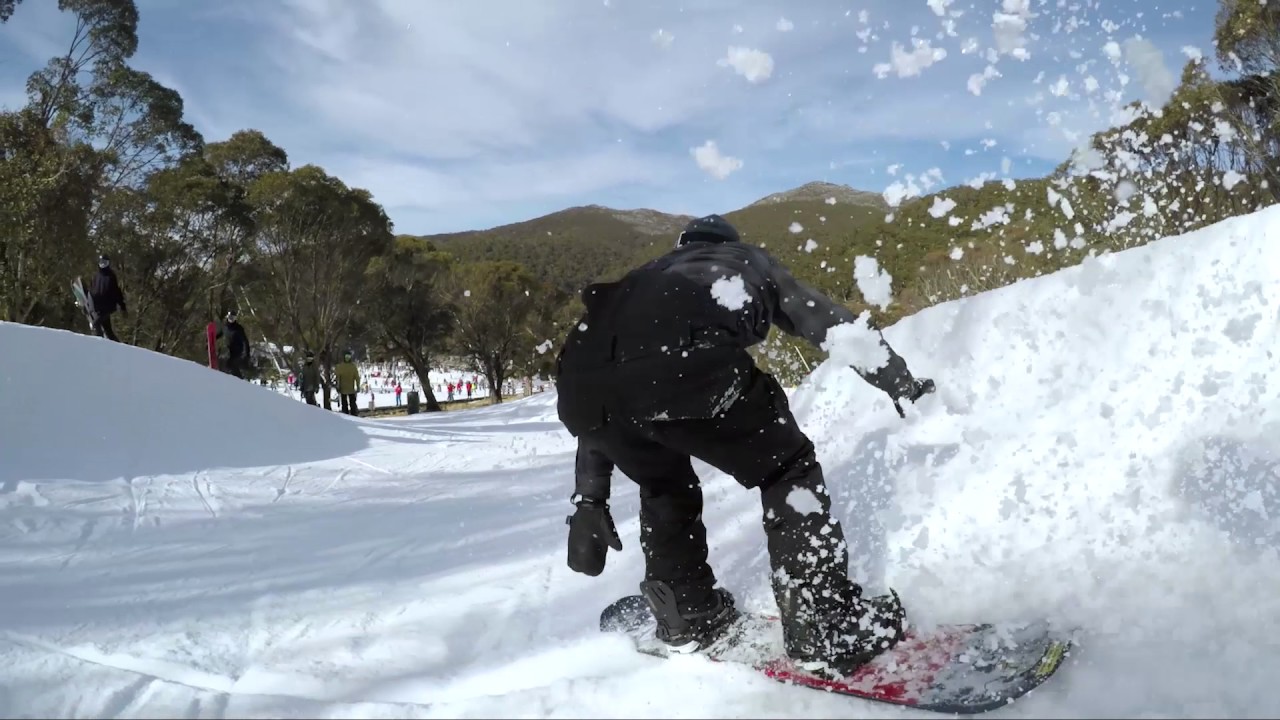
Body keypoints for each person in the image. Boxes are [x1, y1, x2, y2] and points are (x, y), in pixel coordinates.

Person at [554, 214, 934, 676]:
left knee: (663, 485)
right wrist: (901, 382)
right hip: (683, 366)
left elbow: (608, 381)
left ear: (681, 244)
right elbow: (828, 323)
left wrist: (589, 498)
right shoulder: (746, 260)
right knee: (786, 469)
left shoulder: (645, 276)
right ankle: (822, 625)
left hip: (581, 390)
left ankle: (685, 616)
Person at [88, 255, 128, 342]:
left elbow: (117, 292)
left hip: (107, 307)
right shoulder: (96, 276)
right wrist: (90, 304)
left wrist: (122, 306)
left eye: (105, 262)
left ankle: (100, 343)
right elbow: (92, 290)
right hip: (98, 307)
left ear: (108, 263)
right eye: (101, 262)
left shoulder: (111, 276)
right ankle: (119, 347)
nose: (102, 264)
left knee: (95, 324)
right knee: (108, 331)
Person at [216, 310, 251, 379]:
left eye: (233, 317)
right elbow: (219, 334)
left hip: (238, 351)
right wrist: (210, 339)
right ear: (227, 317)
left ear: (235, 318)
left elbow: (245, 341)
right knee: (226, 365)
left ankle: (240, 381)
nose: (231, 319)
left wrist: (247, 353)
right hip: (229, 349)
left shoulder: (238, 328)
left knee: (231, 365)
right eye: (230, 317)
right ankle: (232, 380)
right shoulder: (225, 326)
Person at [335, 350, 361, 416]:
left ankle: (352, 415)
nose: (347, 358)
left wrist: (358, 386)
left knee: (351, 404)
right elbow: (338, 377)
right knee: (345, 404)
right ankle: (348, 416)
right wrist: (338, 386)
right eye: (346, 356)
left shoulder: (352, 367)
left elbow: (357, 377)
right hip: (343, 389)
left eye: (348, 356)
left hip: (350, 389)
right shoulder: (340, 366)